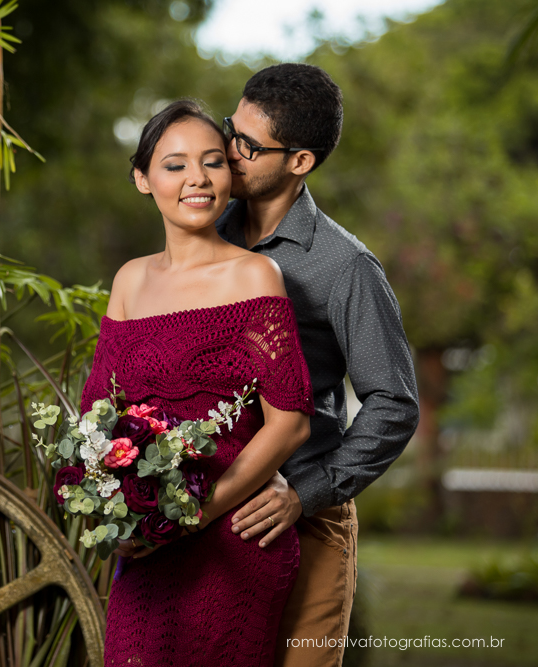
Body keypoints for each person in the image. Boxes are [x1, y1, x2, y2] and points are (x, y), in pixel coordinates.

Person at [80, 99, 315, 666]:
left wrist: (188, 517)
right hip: (146, 548)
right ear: (142, 179)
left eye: (213, 162)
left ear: (230, 177)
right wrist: (116, 507)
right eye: (175, 164)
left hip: (233, 539)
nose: (197, 179)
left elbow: (290, 423)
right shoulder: (130, 280)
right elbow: (97, 414)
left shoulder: (254, 275)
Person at [215, 63, 419, 667]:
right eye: (232, 129)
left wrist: (306, 493)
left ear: (299, 161)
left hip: (302, 518)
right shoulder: (208, 231)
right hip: (214, 509)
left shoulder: (345, 266)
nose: (230, 151)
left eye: (248, 146)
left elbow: (393, 402)